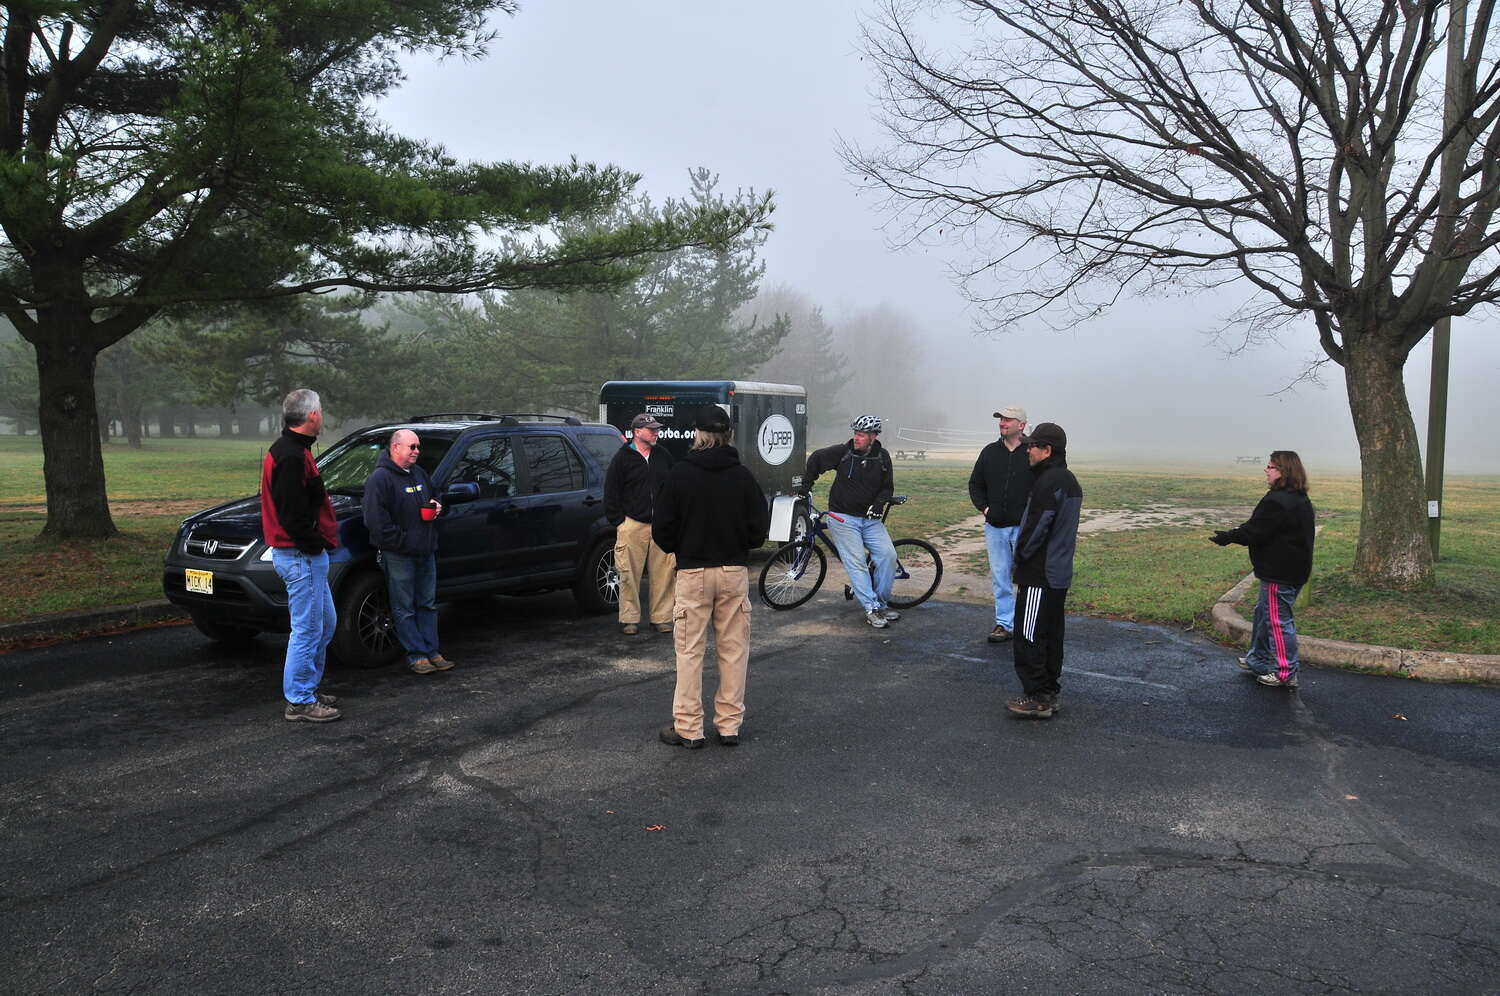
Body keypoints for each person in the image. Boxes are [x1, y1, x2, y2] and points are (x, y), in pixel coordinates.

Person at [652, 405, 769, 749]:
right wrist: (738, 544)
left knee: (690, 653)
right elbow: (758, 530)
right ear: (728, 435)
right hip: (733, 571)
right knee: (733, 651)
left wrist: (683, 547)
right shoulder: (742, 476)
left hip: (693, 572)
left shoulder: (679, 474)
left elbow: (662, 529)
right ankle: (729, 726)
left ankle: (689, 729)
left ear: (697, 434)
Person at [261, 388, 342, 722]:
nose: (322, 415)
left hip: (303, 554)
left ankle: (308, 686)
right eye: (320, 410)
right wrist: (315, 544)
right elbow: (292, 516)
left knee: (325, 623)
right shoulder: (291, 456)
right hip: (299, 555)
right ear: (312, 416)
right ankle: (299, 700)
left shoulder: (296, 450)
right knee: (307, 629)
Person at [1211, 451, 1316, 688]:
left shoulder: (1278, 501)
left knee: (1278, 621)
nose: (1266, 470)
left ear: (1283, 471)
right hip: (1292, 570)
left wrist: (1228, 537)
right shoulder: (1298, 498)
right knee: (1263, 614)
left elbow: (1254, 531)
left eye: (1270, 466)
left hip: (1280, 573)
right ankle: (1257, 659)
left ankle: (1286, 672)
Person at [1008, 422, 1083, 719]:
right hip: (1058, 574)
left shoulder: (1048, 482)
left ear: (1047, 450)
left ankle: (1038, 696)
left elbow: (1036, 528)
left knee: (1029, 634)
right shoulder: (1068, 480)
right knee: (1051, 634)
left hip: (1040, 573)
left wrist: (1020, 556)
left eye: (1032, 446)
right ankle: (1049, 691)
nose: (1028, 450)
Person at [364, 428, 452, 675]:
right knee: (404, 607)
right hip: (398, 554)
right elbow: (375, 521)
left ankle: (433, 651)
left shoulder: (418, 473)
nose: (416, 451)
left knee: (427, 604)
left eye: (418, 447)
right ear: (395, 447)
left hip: (425, 551)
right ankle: (416, 655)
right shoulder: (380, 479)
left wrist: (437, 504)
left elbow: (436, 493)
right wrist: (403, 541)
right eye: (412, 447)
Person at [801, 415, 899, 629]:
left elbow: (887, 487)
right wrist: (806, 485)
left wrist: (879, 503)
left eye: (861, 435)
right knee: (857, 563)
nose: (856, 438)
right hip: (842, 517)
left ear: (873, 436)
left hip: (870, 520)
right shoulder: (843, 452)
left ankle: (881, 604)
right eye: (855, 433)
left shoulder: (882, 457)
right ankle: (871, 608)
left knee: (888, 556)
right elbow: (816, 459)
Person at [604, 413, 677, 636]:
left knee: (665, 574)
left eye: (657, 429)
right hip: (632, 525)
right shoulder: (622, 458)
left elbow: (674, 487)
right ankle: (630, 619)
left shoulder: (663, 455)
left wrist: (672, 516)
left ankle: (661, 618)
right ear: (637, 432)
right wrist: (620, 522)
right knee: (628, 574)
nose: (656, 433)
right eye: (651, 430)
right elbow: (611, 492)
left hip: (661, 525)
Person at [968, 405, 1034, 643]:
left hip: (1025, 528)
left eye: (1008, 419)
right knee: (1000, 577)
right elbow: (975, 484)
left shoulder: (1032, 451)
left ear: (1021, 425)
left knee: (1028, 577)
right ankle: (1004, 624)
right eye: (1001, 419)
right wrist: (986, 509)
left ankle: (1027, 624)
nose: (1002, 423)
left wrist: (1031, 517)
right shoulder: (989, 452)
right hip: (995, 528)